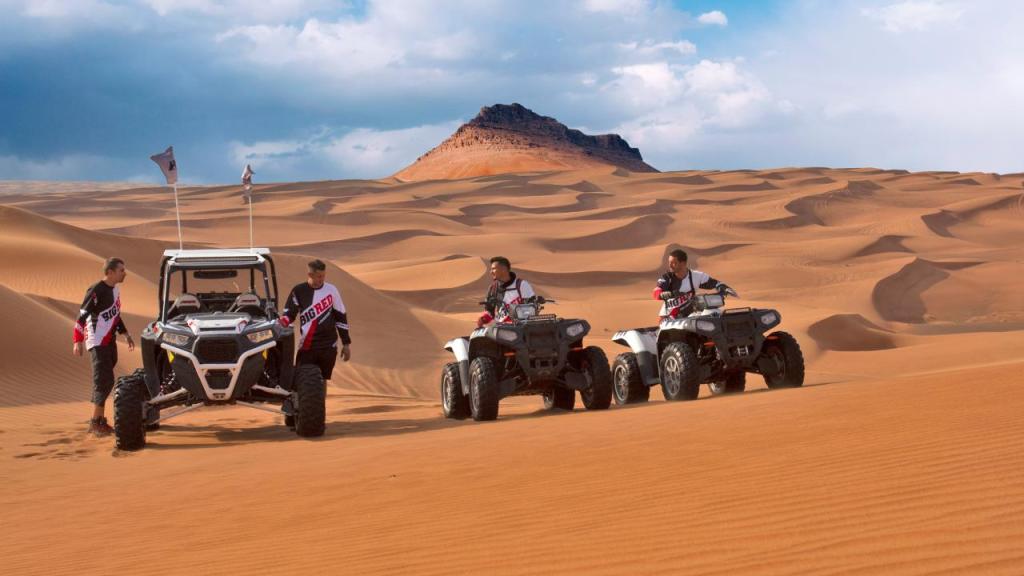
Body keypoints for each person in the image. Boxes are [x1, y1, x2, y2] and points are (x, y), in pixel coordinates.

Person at [73, 257, 135, 436]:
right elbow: (82, 316)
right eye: (121, 270)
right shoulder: (96, 290)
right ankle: (96, 422)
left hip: (109, 339)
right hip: (97, 340)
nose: (125, 273)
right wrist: (77, 340)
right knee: (103, 380)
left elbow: (116, 315)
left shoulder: (115, 290)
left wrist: (125, 333)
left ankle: (98, 420)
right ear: (110, 272)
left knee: (107, 378)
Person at [280, 259, 352, 382]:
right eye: (319, 276)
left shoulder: (331, 290)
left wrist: (346, 343)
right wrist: (283, 321)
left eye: (323, 276)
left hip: (328, 345)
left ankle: (319, 401)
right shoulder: (298, 291)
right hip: (307, 346)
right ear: (310, 275)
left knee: (322, 380)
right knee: (301, 379)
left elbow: (341, 317)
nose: (322, 279)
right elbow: (289, 314)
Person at [653, 249, 730, 320]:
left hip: (690, 314)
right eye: (669, 262)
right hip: (669, 317)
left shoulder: (696, 276)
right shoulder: (667, 278)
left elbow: (714, 283)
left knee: (715, 314)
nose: (670, 266)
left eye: (673, 263)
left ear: (683, 263)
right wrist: (665, 294)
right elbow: (656, 292)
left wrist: (722, 287)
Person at [477, 256, 536, 327]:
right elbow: (489, 311)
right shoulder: (493, 288)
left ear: (503, 269)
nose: (491, 272)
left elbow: (532, 307)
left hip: (521, 328)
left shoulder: (522, 285)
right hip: (501, 329)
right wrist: (483, 319)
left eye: (493, 269)